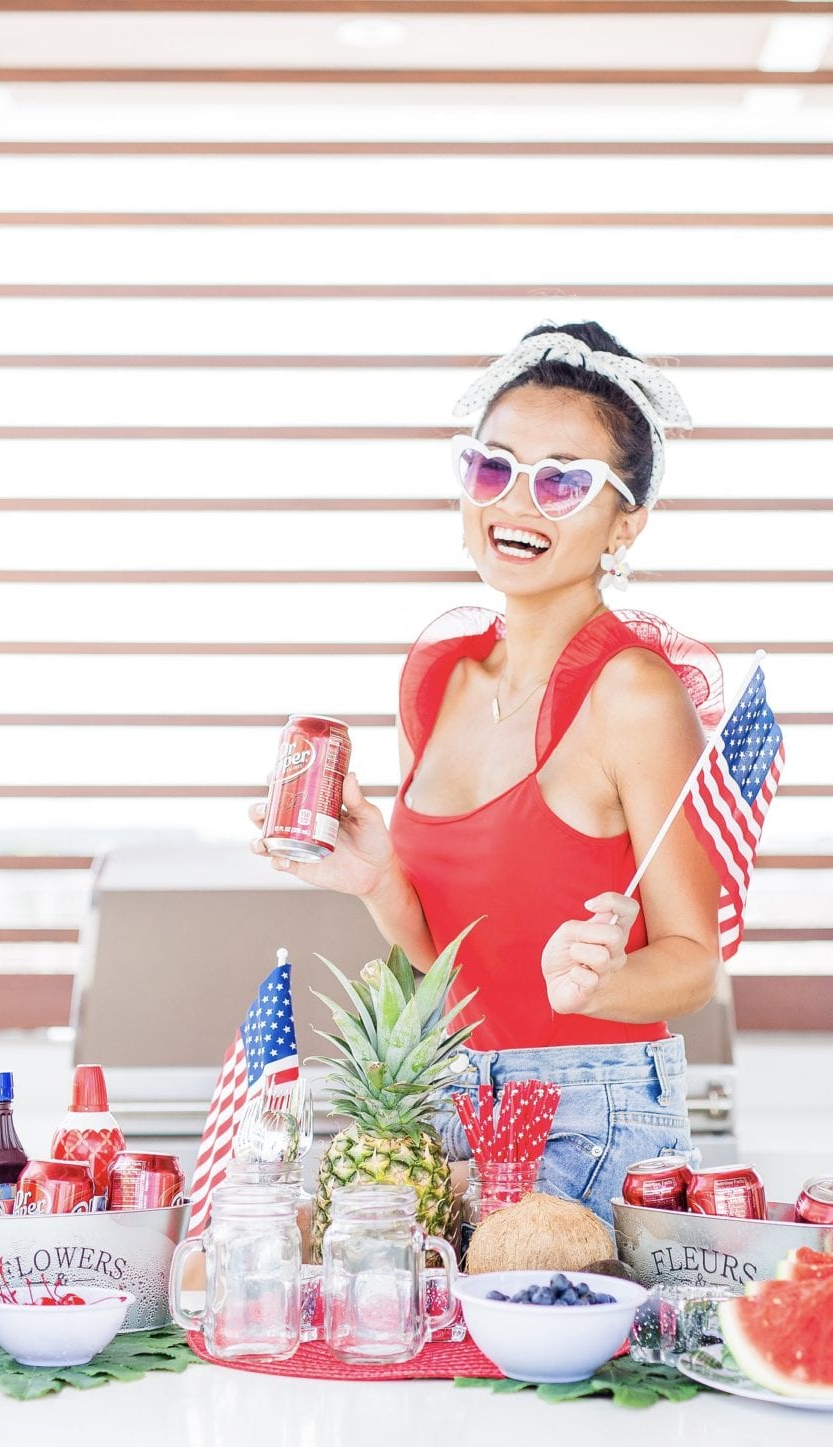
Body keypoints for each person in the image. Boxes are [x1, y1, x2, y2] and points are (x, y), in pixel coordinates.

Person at [250, 321, 725, 1225]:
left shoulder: (633, 692)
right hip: (450, 1105)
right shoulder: (437, 677)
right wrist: (378, 880)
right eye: (492, 468)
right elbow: (449, 966)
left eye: (564, 480)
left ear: (628, 521)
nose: (518, 502)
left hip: (598, 1117)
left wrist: (601, 985)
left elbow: (693, 962)